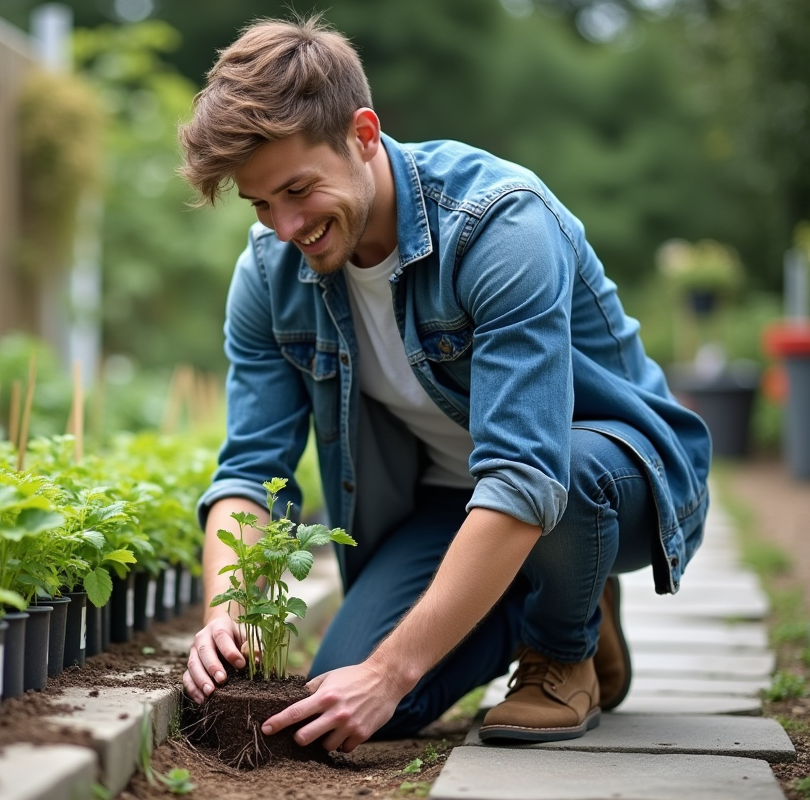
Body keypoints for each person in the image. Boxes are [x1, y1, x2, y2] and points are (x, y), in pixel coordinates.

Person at [176, 15, 711, 753]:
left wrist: (395, 668)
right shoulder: (268, 275)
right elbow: (250, 469)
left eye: (298, 189)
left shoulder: (498, 226)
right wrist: (224, 615)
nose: (286, 225)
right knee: (338, 703)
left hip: (614, 475)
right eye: (261, 204)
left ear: (363, 134)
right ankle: (545, 594)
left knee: (568, 471)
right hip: (451, 503)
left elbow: (527, 473)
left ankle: (563, 645)